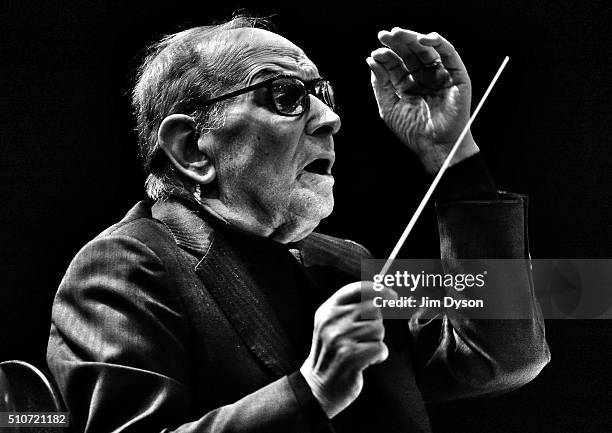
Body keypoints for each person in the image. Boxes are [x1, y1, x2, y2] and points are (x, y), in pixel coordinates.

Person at [47, 16, 550, 433]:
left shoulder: (345, 261)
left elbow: (500, 358)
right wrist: (312, 389)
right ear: (191, 148)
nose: (330, 119)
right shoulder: (120, 269)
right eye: (285, 94)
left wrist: (453, 157)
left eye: (323, 95)